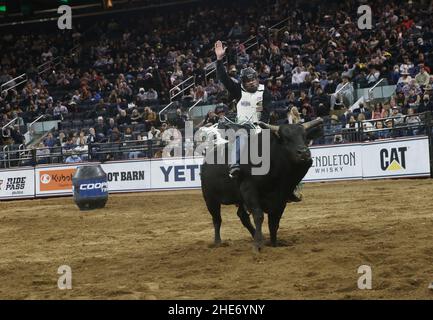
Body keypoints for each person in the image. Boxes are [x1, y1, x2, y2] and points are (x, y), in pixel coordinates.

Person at [215, 40, 270, 178]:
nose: (251, 82)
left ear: (257, 79)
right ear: (243, 82)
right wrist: (219, 60)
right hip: (242, 127)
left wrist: (263, 126)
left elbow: (267, 110)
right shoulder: (237, 91)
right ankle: (234, 164)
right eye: (248, 80)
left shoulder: (264, 91)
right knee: (242, 135)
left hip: (261, 126)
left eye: (253, 79)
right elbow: (223, 78)